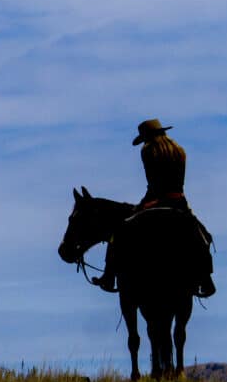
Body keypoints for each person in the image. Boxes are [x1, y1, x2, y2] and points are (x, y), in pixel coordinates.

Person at [92, 119, 216, 297]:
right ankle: (206, 280)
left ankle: (108, 276)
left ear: (147, 137)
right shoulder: (179, 151)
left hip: (156, 200)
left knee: (117, 234)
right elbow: (178, 185)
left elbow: (153, 185)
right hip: (179, 202)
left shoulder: (148, 151)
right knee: (203, 236)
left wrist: (144, 204)